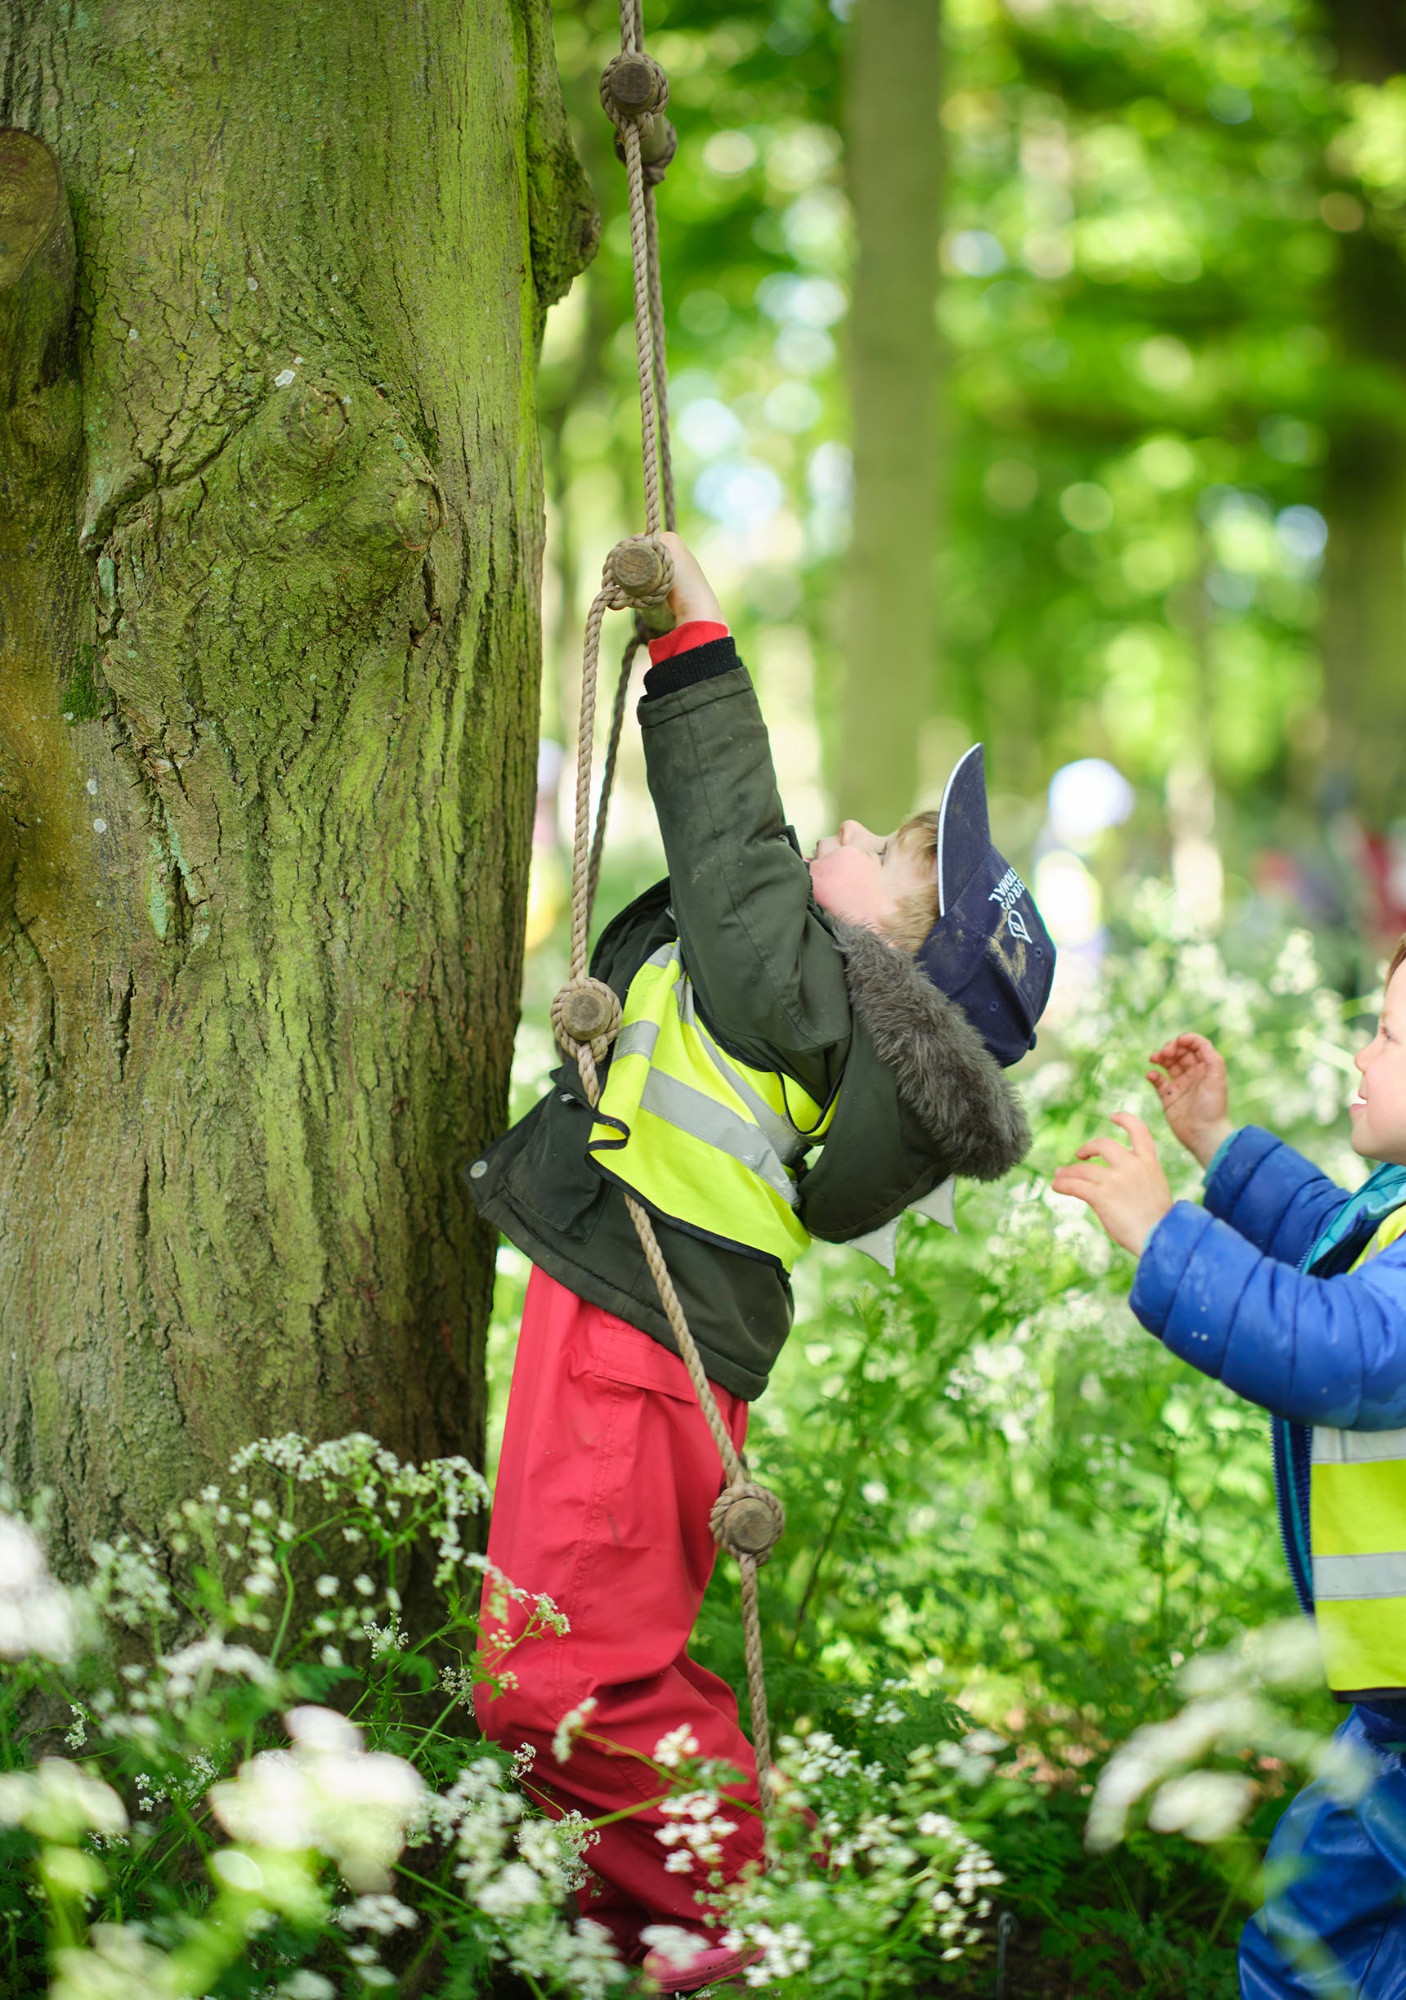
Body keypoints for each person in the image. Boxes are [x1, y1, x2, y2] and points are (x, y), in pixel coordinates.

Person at [464, 533, 1055, 1992]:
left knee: (563, 1680)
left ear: (893, 958)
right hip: (648, 1334)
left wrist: (699, 641)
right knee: (584, 1663)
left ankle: (755, 1935)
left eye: (882, 854)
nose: (841, 832)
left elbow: (731, 844)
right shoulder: (816, 1011)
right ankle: (693, 1927)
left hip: (637, 1345)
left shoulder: (804, 997)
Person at [1053, 904, 1406, 1997]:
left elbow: (1341, 1344)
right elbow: (1334, 1244)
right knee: (1300, 1960)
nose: (1362, 1052)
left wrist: (1164, 1235)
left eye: (1388, 1033)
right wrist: (1220, 1143)